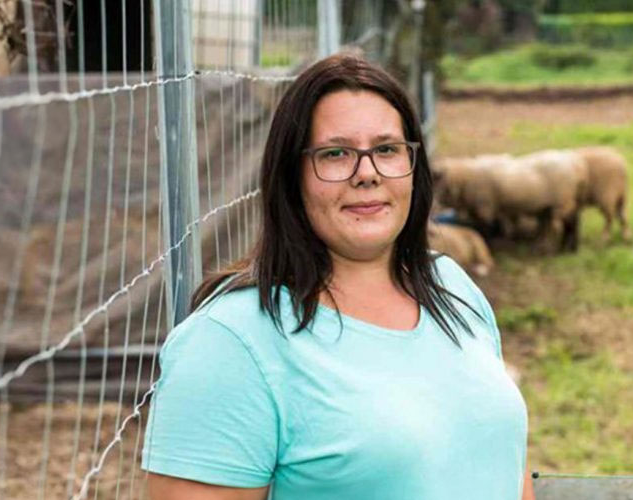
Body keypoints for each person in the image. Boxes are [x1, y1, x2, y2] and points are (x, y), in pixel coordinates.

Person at [141, 54, 533, 500]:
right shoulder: (231, 342)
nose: (366, 173)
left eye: (386, 149)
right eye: (335, 153)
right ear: (291, 177)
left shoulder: (451, 286)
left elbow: (506, 468)